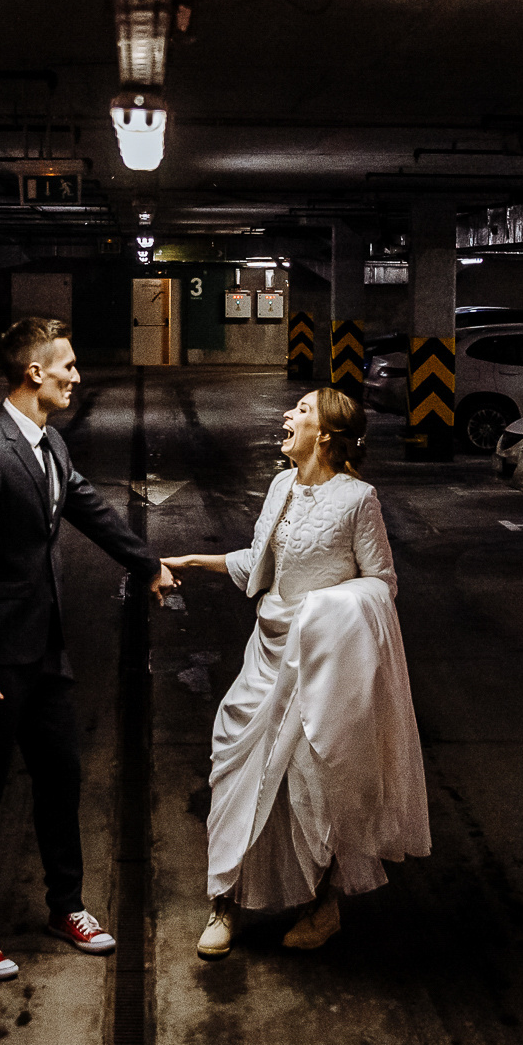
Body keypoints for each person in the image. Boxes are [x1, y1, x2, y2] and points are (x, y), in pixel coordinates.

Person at [0, 315, 179, 981]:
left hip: (47, 651)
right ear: (34, 372)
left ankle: (65, 906)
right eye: (67, 365)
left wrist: (146, 562)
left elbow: (90, 508)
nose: (76, 376)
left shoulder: (50, 446)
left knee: (60, 779)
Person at [162, 386, 429, 957]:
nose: (288, 415)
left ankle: (322, 906)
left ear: (326, 435)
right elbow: (262, 563)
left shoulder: (359, 499)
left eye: (302, 410)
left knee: (313, 786)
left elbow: (383, 584)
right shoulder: (281, 486)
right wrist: (194, 561)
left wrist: (324, 612)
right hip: (265, 657)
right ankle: (223, 904)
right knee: (235, 776)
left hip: (320, 668)